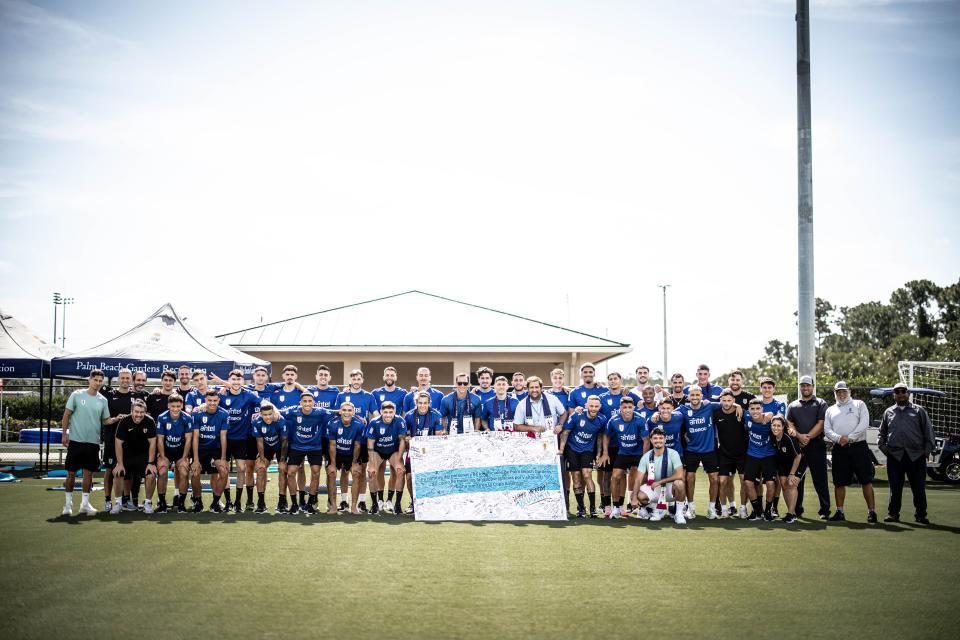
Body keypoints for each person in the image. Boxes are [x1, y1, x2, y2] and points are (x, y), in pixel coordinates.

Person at [878, 382, 935, 524]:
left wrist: (926, 451)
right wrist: (886, 450)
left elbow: (929, 432)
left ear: (908, 394)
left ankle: (921, 515)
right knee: (895, 488)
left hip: (916, 456)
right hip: (895, 456)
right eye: (897, 392)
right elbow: (881, 434)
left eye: (903, 391)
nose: (901, 394)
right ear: (893, 395)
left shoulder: (919, 411)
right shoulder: (888, 412)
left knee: (919, 488)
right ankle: (893, 514)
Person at [60, 369, 111, 516]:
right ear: (90, 380)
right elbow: (66, 415)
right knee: (71, 474)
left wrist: (117, 419)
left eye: (101, 381)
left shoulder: (103, 400)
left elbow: (106, 420)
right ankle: (68, 505)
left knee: (88, 475)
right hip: (75, 441)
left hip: (93, 443)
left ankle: (84, 504)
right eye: (95, 380)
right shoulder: (76, 395)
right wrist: (64, 435)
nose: (98, 383)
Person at [824, 381, 876, 523]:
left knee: (866, 480)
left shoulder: (859, 404)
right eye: (838, 392)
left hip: (859, 446)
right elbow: (827, 429)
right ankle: (840, 512)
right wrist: (839, 439)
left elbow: (864, 423)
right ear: (835, 393)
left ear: (849, 391)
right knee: (839, 482)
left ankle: (872, 512)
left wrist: (850, 438)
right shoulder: (830, 409)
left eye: (844, 391)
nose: (841, 394)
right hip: (839, 449)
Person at [103, 368, 148, 512]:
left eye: (128, 378)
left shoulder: (137, 396)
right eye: (122, 378)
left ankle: (128, 500)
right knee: (111, 470)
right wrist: (116, 419)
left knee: (131, 472)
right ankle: (108, 500)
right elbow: (103, 418)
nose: (125, 380)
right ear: (118, 379)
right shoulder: (109, 395)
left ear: (131, 380)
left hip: (131, 442)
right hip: (112, 439)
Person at [786, 375, 830, 519]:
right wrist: (800, 437)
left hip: (816, 445)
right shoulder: (793, 405)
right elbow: (789, 423)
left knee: (820, 479)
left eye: (808, 385)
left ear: (812, 386)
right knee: (798, 480)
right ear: (800, 387)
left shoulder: (820, 403)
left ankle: (825, 510)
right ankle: (797, 510)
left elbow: (821, 423)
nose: (805, 388)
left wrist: (808, 437)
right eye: (803, 385)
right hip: (798, 446)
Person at [677, 386, 724, 520]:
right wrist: (657, 414)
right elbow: (669, 412)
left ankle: (712, 508)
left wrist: (737, 405)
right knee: (689, 478)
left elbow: (726, 402)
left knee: (714, 479)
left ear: (701, 396)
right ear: (688, 397)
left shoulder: (709, 406)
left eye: (697, 395)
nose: (695, 397)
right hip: (691, 450)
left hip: (709, 449)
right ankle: (691, 508)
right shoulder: (683, 409)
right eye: (692, 395)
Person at [285, 392, 335, 515]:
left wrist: (357, 416)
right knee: (290, 473)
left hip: (315, 447)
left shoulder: (320, 412)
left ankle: (310, 504)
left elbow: (340, 411)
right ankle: (294, 504)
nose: (307, 403)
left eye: (309, 401)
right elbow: (276, 412)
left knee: (316, 473)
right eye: (305, 401)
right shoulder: (293, 411)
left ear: (313, 402)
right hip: (297, 446)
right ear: (300, 403)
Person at [598, 396, 649, 518]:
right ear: (620, 408)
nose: (627, 410)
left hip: (637, 453)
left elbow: (646, 441)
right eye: (624, 407)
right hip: (623, 453)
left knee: (641, 477)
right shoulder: (614, 420)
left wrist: (644, 458)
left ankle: (642, 507)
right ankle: (616, 507)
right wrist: (605, 453)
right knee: (615, 477)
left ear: (633, 407)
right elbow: (606, 436)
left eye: (630, 407)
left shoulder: (640, 420)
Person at [336, 370, 378, 512]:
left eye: (358, 378)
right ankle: (343, 501)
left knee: (361, 471)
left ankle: (361, 502)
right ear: (350, 380)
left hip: (363, 438)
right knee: (344, 470)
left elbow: (376, 415)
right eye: (353, 377)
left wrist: (368, 423)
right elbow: (337, 414)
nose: (356, 380)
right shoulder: (342, 395)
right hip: (344, 439)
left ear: (362, 380)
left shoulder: (368, 396)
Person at [219, 370, 261, 513]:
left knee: (242, 469)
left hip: (241, 439)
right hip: (224, 438)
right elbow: (208, 399)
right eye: (233, 380)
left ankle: (238, 502)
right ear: (229, 380)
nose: (236, 382)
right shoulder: (222, 394)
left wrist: (274, 410)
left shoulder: (248, 395)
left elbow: (263, 402)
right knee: (223, 470)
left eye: (238, 380)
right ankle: (228, 501)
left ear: (242, 381)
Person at [559, 395, 605, 517]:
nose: (594, 408)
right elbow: (566, 432)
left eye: (596, 406)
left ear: (600, 407)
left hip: (587, 450)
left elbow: (600, 438)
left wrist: (598, 454)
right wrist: (561, 451)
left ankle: (593, 508)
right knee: (576, 477)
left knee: (587, 474)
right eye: (591, 406)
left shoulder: (602, 419)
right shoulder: (577, 415)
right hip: (572, 449)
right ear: (586, 406)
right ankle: (581, 508)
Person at [629, 427, 687, 525]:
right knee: (636, 495)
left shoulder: (673, 453)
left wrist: (660, 482)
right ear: (651, 440)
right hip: (654, 488)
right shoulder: (646, 456)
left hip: (669, 488)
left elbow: (680, 474)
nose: (658, 441)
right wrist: (634, 497)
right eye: (655, 438)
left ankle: (679, 514)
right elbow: (638, 480)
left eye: (660, 438)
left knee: (680, 483)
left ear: (665, 439)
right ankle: (654, 511)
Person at [113, 399, 159, 514]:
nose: (139, 415)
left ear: (145, 412)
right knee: (118, 473)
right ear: (131, 411)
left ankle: (147, 503)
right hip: (127, 455)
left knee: (151, 474)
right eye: (136, 412)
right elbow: (118, 443)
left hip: (143, 455)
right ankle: (118, 503)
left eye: (141, 412)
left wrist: (151, 463)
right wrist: (119, 463)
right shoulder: (124, 421)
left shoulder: (150, 421)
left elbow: (153, 443)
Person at [402, 392, 444, 516]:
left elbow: (438, 437)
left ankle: (430, 503)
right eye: (420, 403)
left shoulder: (436, 415)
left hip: (429, 451)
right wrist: (406, 438)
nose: (422, 405)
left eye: (425, 403)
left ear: (429, 403)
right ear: (416, 403)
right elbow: (404, 435)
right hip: (413, 451)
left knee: (430, 477)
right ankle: (414, 502)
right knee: (409, 477)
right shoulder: (409, 416)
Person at [189, 390, 230, 513]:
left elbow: (223, 437)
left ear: (218, 400)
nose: (212, 403)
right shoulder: (197, 414)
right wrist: (195, 460)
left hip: (215, 449)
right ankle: (198, 502)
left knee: (223, 471)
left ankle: (215, 503)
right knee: (195, 472)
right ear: (205, 400)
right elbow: (195, 437)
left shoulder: (224, 414)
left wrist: (223, 459)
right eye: (209, 400)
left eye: (215, 400)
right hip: (200, 449)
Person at [371, 366, 406, 505]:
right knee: (378, 469)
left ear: (396, 377)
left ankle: (390, 500)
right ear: (384, 376)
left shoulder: (402, 393)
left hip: (394, 438)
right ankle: (379, 499)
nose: (390, 377)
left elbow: (403, 413)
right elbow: (374, 413)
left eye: (392, 374)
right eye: (387, 375)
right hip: (379, 437)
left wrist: (398, 428)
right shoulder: (375, 393)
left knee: (394, 469)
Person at [365, 401, 407, 514]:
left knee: (400, 471)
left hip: (393, 450)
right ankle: (375, 504)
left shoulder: (400, 421)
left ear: (395, 412)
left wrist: (398, 461)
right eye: (385, 412)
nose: (388, 415)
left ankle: (396, 504)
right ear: (381, 412)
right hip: (378, 451)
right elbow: (370, 443)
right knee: (372, 473)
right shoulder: (374, 422)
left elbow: (402, 441)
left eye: (391, 412)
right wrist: (372, 463)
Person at [715, 389, 749, 519]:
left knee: (744, 481)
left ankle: (743, 508)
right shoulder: (716, 413)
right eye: (724, 400)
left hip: (742, 454)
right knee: (723, 481)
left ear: (734, 401)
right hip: (724, 453)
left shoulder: (741, 413)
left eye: (729, 400)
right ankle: (725, 509)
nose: (726, 403)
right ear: (720, 401)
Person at [156, 394, 193, 513]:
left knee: (183, 471)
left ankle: (181, 504)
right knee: (162, 471)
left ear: (182, 405)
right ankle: (162, 503)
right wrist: (162, 457)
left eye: (178, 406)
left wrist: (184, 458)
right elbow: (160, 439)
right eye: (173, 406)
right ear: (168, 406)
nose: (176, 409)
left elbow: (188, 440)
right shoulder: (162, 417)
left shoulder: (187, 418)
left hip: (180, 451)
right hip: (166, 451)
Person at [327, 402, 366, 514]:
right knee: (331, 473)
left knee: (357, 473)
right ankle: (334, 506)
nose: (347, 413)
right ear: (340, 411)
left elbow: (357, 445)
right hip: (337, 453)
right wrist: (333, 464)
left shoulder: (359, 425)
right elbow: (332, 445)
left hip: (351, 453)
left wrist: (354, 463)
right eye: (344, 410)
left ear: (353, 412)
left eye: (349, 410)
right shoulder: (333, 424)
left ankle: (354, 506)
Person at [758, 377, 787, 516]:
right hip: (758, 447)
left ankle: (773, 507)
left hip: (775, 447)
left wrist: (766, 418)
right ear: (761, 389)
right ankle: (759, 508)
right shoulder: (757, 404)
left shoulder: (779, 404)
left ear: (773, 389)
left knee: (776, 479)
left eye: (770, 387)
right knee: (758, 479)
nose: (767, 390)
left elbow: (779, 418)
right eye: (764, 387)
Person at [744, 398, 777, 521]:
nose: (755, 411)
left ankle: (768, 510)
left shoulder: (769, 420)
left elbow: (779, 418)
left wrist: (770, 415)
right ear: (749, 410)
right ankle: (757, 511)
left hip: (768, 455)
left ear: (762, 409)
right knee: (748, 482)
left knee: (770, 483)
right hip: (752, 455)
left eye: (758, 408)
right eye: (752, 409)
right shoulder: (746, 417)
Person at [252, 402, 288, 513]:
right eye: (265, 415)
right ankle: (261, 502)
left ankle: (282, 502)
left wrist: (282, 460)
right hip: (266, 448)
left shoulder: (281, 421)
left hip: (280, 448)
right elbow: (259, 442)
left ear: (273, 413)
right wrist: (262, 459)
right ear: (261, 414)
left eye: (270, 414)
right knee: (260, 469)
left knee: (282, 469)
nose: (267, 417)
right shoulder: (256, 422)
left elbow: (285, 442)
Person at [771, 416, 803, 524]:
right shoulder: (772, 436)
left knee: (791, 484)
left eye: (778, 426)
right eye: (774, 425)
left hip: (798, 463)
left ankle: (790, 514)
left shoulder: (788, 437)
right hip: (783, 464)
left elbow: (798, 456)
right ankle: (792, 513)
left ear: (783, 426)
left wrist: (792, 474)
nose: (776, 428)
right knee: (784, 485)